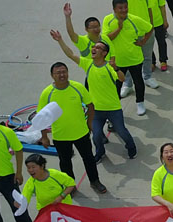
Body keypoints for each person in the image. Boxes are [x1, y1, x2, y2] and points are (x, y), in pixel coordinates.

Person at [49, 29, 136, 163]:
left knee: (122, 131)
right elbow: (70, 54)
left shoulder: (109, 67)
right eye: (94, 47)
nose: (94, 48)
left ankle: (131, 147)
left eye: (98, 47)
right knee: (96, 136)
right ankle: (100, 153)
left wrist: (116, 68)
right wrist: (60, 40)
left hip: (113, 108)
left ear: (104, 53)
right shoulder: (88, 64)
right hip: (96, 110)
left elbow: (122, 79)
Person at [38, 62, 104, 194]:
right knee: (65, 162)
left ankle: (95, 181)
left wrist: (89, 123)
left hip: (81, 133)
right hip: (61, 136)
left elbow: (90, 106)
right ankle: (70, 186)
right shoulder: (47, 93)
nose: (62, 75)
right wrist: (44, 137)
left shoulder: (77, 87)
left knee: (89, 159)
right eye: (58, 73)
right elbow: (42, 117)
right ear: (52, 75)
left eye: (64, 72)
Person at [104, 0, 152, 115]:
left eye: (126, 7)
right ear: (114, 9)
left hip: (135, 59)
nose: (124, 10)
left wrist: (143, 41)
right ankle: (116, 107)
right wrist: (119, 28)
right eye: (120, 8)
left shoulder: (134, 20)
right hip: (117, 61)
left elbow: (150, 28)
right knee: (117, 85)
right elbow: (106, 38)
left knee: (138, 82)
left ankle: (140, 103)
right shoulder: (108, 20)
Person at [116, 0, 160, 91]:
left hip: (145, 31)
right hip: (129, 34)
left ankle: (147, 77)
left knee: (147, 57)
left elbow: (150, 10)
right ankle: (128, 84)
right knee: (128, 60)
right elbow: (118, 15)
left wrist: (151, 28)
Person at [139, 0, 170, 72]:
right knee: (148, 44)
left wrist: (165, 20)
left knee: (161, 42)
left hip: (158, 22)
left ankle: (163, 60)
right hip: (146, 24)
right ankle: (152, 62)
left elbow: (162, 7)